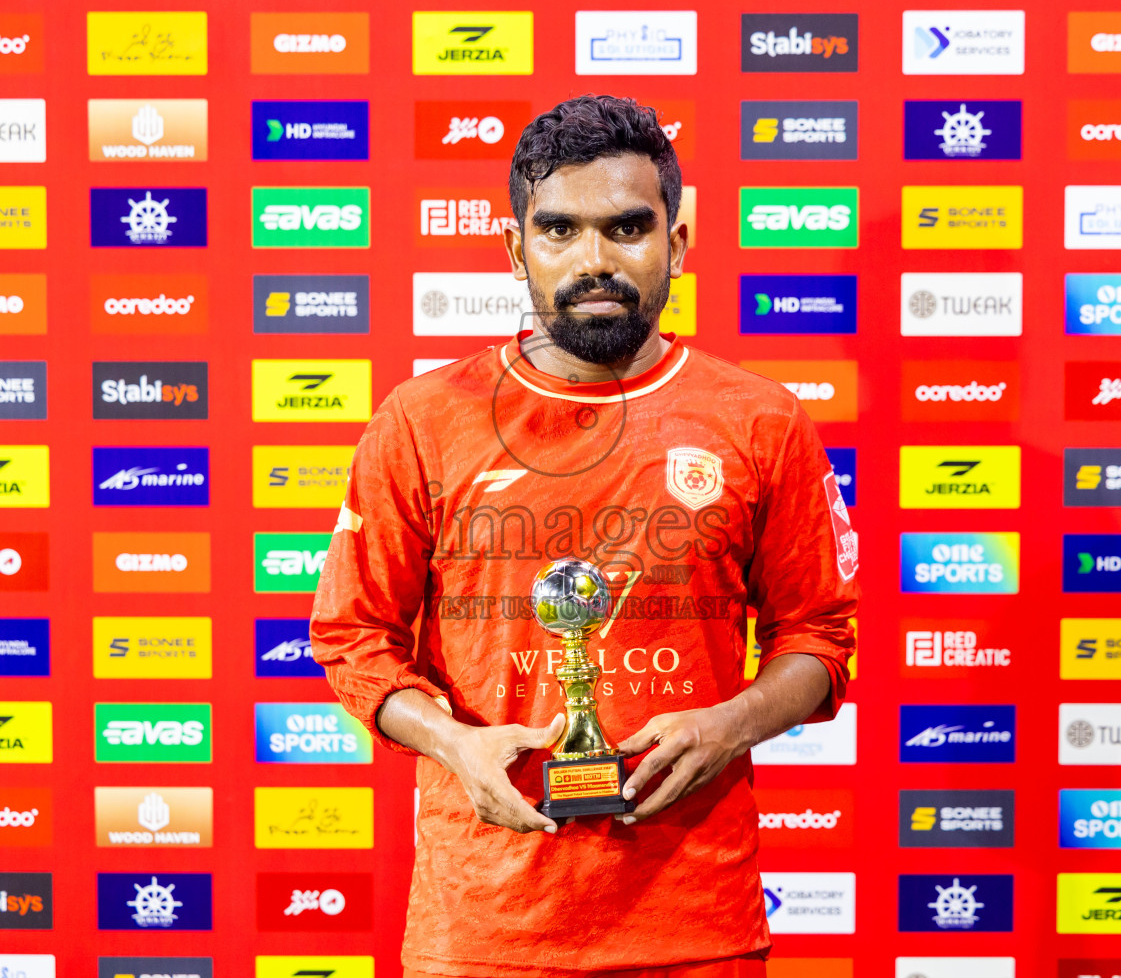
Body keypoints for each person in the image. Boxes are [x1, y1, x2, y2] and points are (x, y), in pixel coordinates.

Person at [310, 95, 859, 978]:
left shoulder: (761, 422)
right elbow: (353, 639)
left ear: (674, 244)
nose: (593, 261)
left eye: (627, 228)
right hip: (485, 929)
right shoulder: (420, 421)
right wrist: (456, 744)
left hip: (694, 923)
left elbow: (819, 639)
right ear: (515, 246)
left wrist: (730, 724)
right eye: (559, 230)